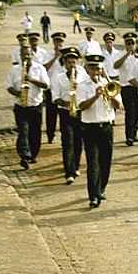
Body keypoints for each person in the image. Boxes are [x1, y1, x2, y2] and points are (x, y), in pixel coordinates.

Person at [77, 54, 121, 208]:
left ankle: (101, 188)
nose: (96, 71)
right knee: (93, 162)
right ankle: (93, 196)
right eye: (93, 68)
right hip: (90, 127)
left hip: (106, 127)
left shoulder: (109, 84)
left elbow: (118, 106)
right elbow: (81, 107)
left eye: (98, 68)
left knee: (105, 161)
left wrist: (110, 96)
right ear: (88, 69)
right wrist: (96, 96)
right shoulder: (82, 86)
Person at [6, 41, 49, 169]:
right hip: (20, 105)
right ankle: (24, 155)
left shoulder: (39, 68)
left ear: (32, 55)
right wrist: (17, 93)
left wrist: (31, 80)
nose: (26, 57)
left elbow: (46, 85)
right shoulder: (14, 70)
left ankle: (33, 154)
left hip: (35, 105)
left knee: (35, 132)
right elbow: (8, 87)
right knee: (23, 131)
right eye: (24, 55)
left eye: (28, 55)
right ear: (20, 55)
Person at [51, 47, 87, 184]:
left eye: (74, 62)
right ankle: (69, 172)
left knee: (78, 141)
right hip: (65, 112)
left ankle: (75, 165)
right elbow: (55, 97)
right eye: (69, 63)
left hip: (80, 111)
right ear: (64, 63)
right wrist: (67, 103)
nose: (72, 65)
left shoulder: (83, 74)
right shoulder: (58, 77)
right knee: (67, 141)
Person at [114, 32, 138, 146]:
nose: (130, 44)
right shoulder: (120, 54)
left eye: (132, 43)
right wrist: (127, 54)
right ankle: (129, 136)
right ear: (125, 44)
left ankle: (134, 133)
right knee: (130, 112)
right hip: (126, 87)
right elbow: (115, 66)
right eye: (128, 43)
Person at [43, 31, 67, 143]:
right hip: (51, 89)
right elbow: (44, 69)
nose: (59, 43)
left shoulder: (67, 55)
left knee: (63, 115)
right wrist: (55, 58)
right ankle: (50, 135)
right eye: (57, 41)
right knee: (51, 115)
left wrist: (61, 56)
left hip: (63, 90)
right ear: (53, 42)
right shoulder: (47, 54)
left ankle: (64, 136)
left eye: (60, 41)